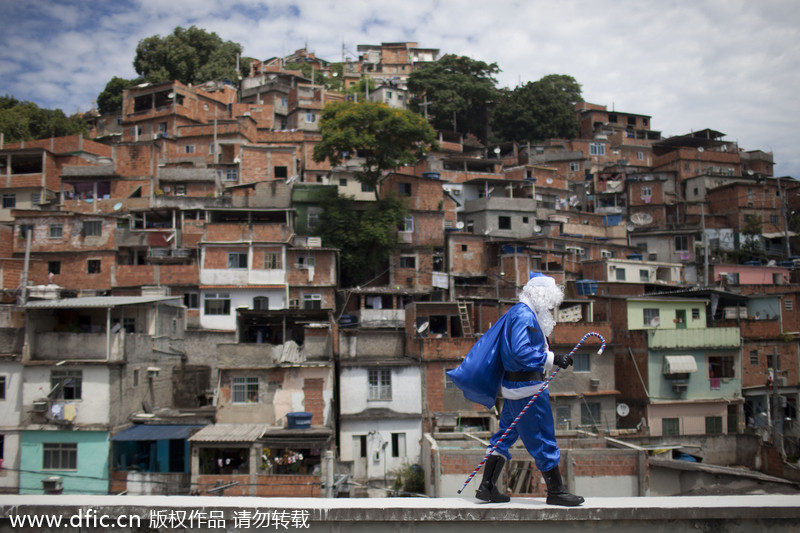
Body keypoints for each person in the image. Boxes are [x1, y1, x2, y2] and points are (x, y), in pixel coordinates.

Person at [447, 272, 584, 506]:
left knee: (504, 437)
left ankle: (487, 487)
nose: (551, 305)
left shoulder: (521, 313)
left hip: (516, 388)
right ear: (541, 294)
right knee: (542, 437)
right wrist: (552, 359)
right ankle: (556, 491)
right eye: (550, 298)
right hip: (527, 388)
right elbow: (519, 352)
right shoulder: (523, 315)